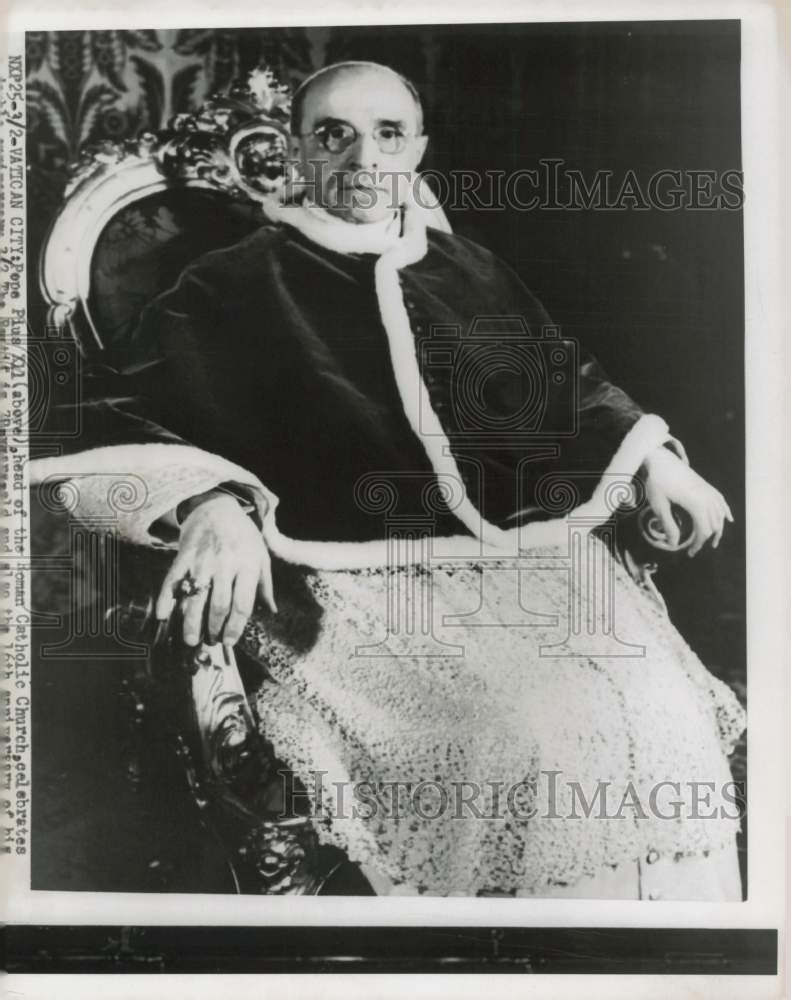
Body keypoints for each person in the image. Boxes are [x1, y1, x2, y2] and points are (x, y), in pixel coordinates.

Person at [31, 61, 745, 898]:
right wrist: (208, 502)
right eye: (331, 134)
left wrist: (651, 455)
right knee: (519, 731)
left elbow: (566, 388)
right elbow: (111, 412)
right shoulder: (225, 286)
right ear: (294, 150)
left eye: (387, 134)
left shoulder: (464, 268)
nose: (361, 158)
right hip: (341, 585)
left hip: (513, 560)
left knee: (656, 712)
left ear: (417, 151)